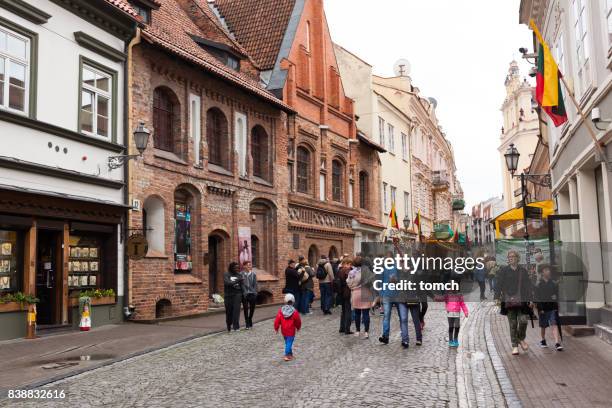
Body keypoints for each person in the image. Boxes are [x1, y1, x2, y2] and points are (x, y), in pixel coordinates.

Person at [495, 250, 534, 355]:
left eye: (513, 256)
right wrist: (497, 297)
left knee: (523, 321)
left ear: (517, 258)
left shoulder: (523, 271)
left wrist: (530, 299)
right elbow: (498, 284)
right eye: (509, 257)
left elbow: (528, 286)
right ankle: (515, 346)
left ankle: (521, 338)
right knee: (513, 324)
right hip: (508, 301)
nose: (511, 258)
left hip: (522, 300)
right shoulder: (504, 270)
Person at [535, 265, 563, 351]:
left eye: (549, 270)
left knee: (554, 324)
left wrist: (556, 305)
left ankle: (557, 343)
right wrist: (540, 309)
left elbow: (556, 296)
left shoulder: (553, 283)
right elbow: (537, 298)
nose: (548, 271)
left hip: (552, 308)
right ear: (542, 272)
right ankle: (543, 340)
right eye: (546, 270)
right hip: (543, 308)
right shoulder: (538, 284)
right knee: (543, 326)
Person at [347, 256, 375, 339]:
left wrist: (352, 287)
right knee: (366, 313)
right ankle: (366, 332)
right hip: (366, 292)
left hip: (356, 293)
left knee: (357, 313)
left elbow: (349, 283)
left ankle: (357, 330)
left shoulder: (352, 272)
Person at [274, 293, 302, 361]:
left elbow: (277, 320)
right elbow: (298, 321)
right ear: (293, 302)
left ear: (285, 301)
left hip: (283, 330)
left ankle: (290, 354)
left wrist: (276, 328)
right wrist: (298, 327)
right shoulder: (294, 312)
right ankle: (286, 355)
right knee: (289, 342)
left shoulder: (281, 311)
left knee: (287, 342)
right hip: (291, 330)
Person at [223, 261, 243, 332]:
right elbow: (227, 283)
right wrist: (238, 281)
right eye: (235, 268)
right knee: (229, 312)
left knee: (236, 311)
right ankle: (229, 325)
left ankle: (236, 326)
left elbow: (242, 286)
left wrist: (243, 295)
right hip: (228, 295)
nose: (237, 269)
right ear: (231, 268)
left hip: (237, 294)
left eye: (238, 268)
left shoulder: (239, 275)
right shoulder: (226, 274)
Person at [337, 257, 353, 334]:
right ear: (346, 264)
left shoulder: (339, 271)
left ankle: (342, 328)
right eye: (349, 264)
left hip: (341, 293)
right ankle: (347, 329)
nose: (350, 265)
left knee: (343, 311)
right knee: (348, 311)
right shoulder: (348, 272)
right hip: (347, 292)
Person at [241, 261, 258, 329]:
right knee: (245, 309)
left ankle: (250, 318)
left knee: (252, 308)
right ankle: (247, 323)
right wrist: (244, 292)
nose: (249, 267)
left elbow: (255, 284)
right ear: (244, 266)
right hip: (245, 294)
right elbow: (241, 284)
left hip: (252, 294)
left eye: (250, 265)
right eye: (248, 265)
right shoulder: (241, 274)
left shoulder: (253, 274)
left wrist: (255, 292)